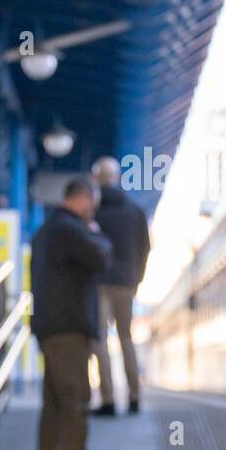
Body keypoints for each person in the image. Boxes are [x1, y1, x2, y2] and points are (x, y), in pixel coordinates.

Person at [30, 178, 116, 450]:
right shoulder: (72, 229)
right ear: (84, 199)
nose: (93, 211)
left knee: (54, 398)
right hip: (69, 326)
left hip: (50, 325)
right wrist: (97, 235)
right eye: (92, 205)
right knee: (77, 395)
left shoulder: (46, 230)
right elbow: (102, 258)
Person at [89, 156, 151, 416]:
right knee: (127, 338)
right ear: (117, 178)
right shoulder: (135, 210)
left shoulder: (92, 210)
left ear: (96, 179)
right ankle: (135, 397)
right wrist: (137, 278)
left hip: (99, 282)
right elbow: (145, 247)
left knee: (101, 340)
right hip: (126, 282)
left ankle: (108, 400)